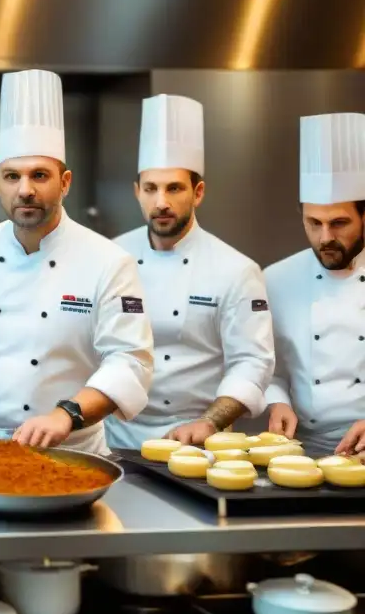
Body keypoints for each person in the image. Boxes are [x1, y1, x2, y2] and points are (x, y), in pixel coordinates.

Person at [0, 69, 153, 454]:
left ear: (64, 183)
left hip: (75, 451)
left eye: (40, 175)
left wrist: (66, 414)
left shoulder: (108, 260)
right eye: (12, 176)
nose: (25, 190)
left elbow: (130, 361)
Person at [104, 95, 274, 448]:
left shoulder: (236, 269)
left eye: (174, 188)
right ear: (137, 192)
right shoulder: (108, 256)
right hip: (115, 437)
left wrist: (209, 422)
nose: (161, 202)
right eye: (150, 188)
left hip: (197, 441)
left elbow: (252, 361)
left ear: (198, 193)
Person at [265, 112, 365, 458]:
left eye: (339, 223)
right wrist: (277, 402)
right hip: (303, 454)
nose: (326, 238)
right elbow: (271, 367)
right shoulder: (276, 279)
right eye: (313, 222)